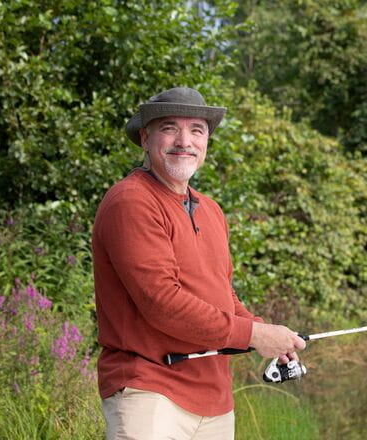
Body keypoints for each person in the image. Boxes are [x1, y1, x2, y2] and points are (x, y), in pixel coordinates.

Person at [92, 87, 306, 439]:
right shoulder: (131, 201)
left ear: (206, 141)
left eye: (196, 130)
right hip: (149, 391)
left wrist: (266, 335)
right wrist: (253, 335)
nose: (184, 141)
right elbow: (162, 302)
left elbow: (222, 293)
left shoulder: (210, 209)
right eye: (169, 128)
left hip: (215, 400)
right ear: (145, 138)